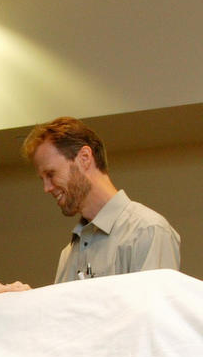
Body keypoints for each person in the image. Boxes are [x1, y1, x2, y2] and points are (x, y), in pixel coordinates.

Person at [22, 116, 180, 282]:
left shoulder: (148, 231)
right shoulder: (68, 255)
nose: (47, 188)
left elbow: (153, 307)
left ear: (84, 158)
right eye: (43, 179)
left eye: (51, 174)